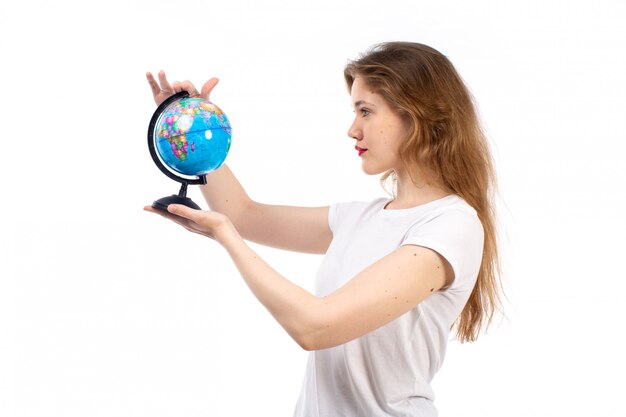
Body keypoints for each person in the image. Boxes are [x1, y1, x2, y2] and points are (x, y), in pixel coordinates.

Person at [145, 41, 502, 417]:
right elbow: (243, 215)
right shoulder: (358, 218)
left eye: (365, 111)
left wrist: (225, 238)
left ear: (418, 115)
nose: (353, 130)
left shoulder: (450, 227)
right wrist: (195, 132)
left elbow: (315, 327)